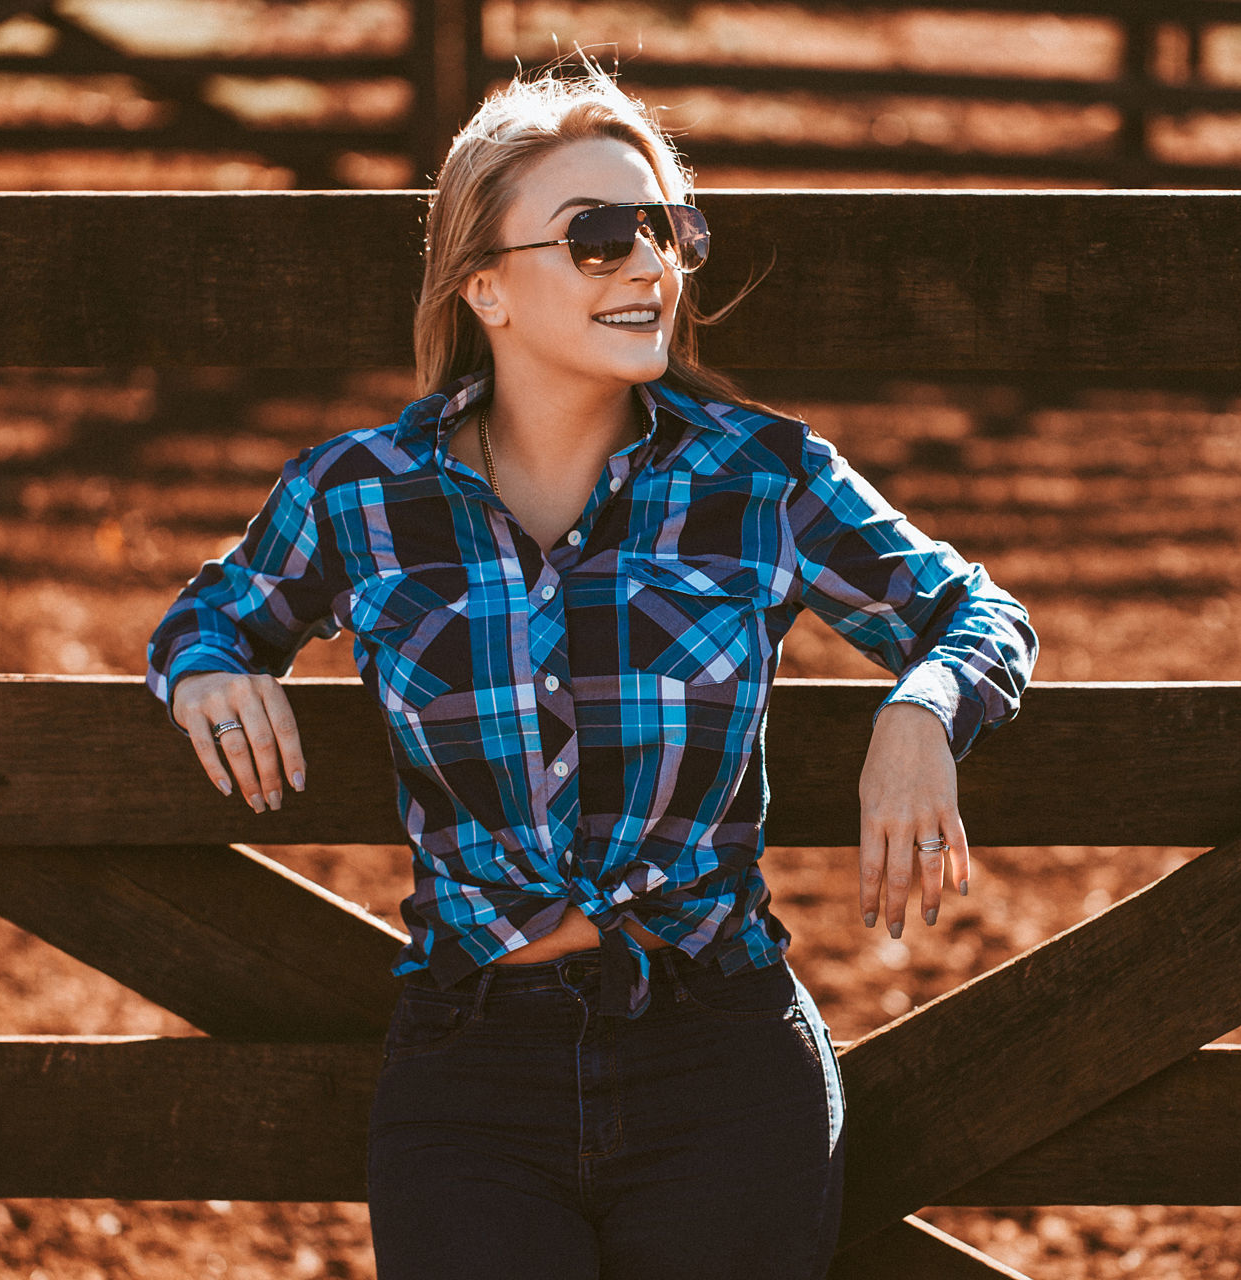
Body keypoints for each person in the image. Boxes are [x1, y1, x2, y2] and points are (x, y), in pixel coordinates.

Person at [144, 49, 1037, 1280]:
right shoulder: (362, 496)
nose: (648, 265)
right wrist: (207, 667)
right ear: (486, 290)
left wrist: (920, 714)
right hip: (471, 1075)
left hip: (721, 1061)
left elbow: (973, 611)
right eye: (600, 235)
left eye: (666, 229)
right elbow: (209, 614)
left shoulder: (760, 479)